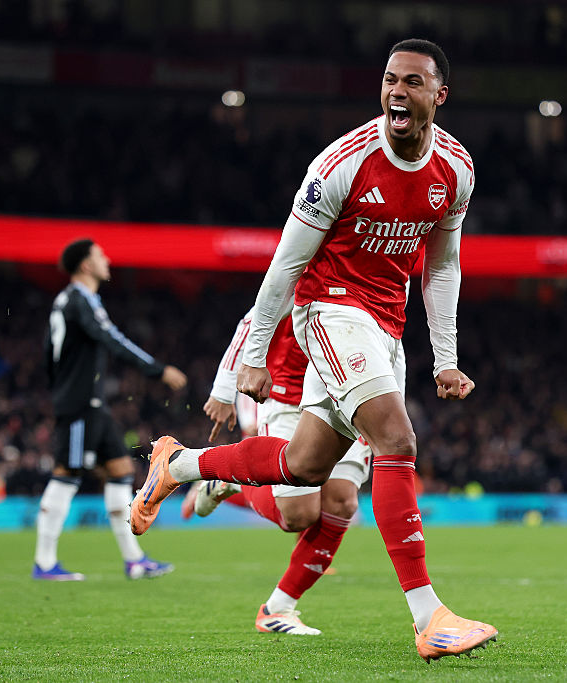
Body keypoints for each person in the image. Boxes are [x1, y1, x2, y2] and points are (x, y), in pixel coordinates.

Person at [131, 39, 498, 661]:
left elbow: (443, 264)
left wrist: (445, 358)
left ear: (441, 95)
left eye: (412, 82)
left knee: (304, 469)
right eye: (389, 81)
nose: (396, 93)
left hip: (386, 324)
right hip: (327, 307)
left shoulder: (455, 170)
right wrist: (250, 357)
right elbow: (285, 264)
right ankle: (429, 616)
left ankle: (182, 465)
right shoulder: (341, 164)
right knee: (396, 441)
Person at [180, 306, 396, 636]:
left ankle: (278, 608)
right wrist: (224, 392)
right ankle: (232, 480)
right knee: (297, 516)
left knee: (342, 502)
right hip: (287, 400)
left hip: (347, 396)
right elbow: (250, 323)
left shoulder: (377, 273)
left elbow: (392, 341)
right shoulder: (304, 268)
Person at [33, 238, 187, 580]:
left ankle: (134, 560)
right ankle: (44, 563)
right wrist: (156, 368)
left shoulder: (72, 301)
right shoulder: (78, 300)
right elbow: (110, 338)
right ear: (86, 266)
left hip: (93, 405)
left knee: (120, 472)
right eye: (100, 256)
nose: (107, 260)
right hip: (78, 405)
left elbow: (49, 353)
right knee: (67, 475)